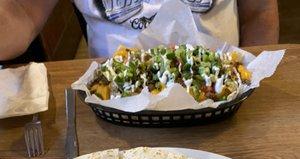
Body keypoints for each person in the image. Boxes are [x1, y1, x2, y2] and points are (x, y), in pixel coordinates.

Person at [0, 0, 279, 60]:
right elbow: (22, 14)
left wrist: (251, 78)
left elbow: (259, 13)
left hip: (223, 92)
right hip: (112, 101)